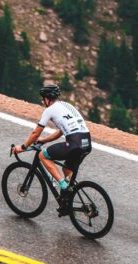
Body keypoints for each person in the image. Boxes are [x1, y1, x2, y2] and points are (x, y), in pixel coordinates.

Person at [12, 84, 92, 215]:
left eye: (43, 99)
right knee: (67, 169)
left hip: (74, 144)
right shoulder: (67, 106)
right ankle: (69, 198)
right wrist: (44, 140)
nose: (42, 102)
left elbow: (35, 133)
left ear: (47, 99)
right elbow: (62, 131)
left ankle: (64, 186)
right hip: (86, 143)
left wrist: (22, 147)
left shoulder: (50, 110)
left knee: (43, 156)